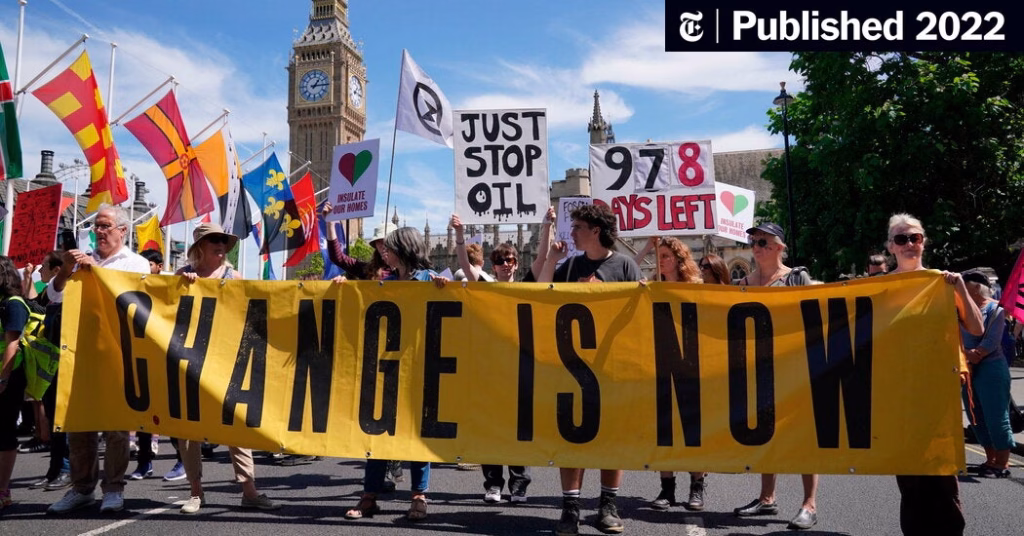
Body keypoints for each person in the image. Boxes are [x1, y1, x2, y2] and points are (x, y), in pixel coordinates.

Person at [538, 203, 642, 536]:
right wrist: (552, 260)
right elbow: (539, 295)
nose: (572, 233)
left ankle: (607, 506)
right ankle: (570, 508)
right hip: (572, 367)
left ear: (596, 230)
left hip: (613, 366)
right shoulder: (570, 266)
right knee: (572, 438)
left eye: (578, 227)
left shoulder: (624, 266)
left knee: (612, 438)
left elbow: (639, 314)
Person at [880, 213, 983, 536]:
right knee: (910, 475)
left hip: (939, 391)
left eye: (915, 237)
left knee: (942, 472)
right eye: (901, 239)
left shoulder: (943, 282)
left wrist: (961, 288)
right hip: (899, 391)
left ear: (924, 243)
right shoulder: (881, 287)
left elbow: (976, 328)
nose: (909, 244)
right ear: (891, 247)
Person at [47, 204, 151, 515]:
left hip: (117, 355)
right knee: (80, 425)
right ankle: (82, 488)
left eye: (106, 226)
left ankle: (114, 488)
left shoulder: (136, 263)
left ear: (123, 231)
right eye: (97, 226)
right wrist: (66, 269)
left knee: (116, 428)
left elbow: (133, 302)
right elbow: (53, 296)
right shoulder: (82, 260)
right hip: (81, 352)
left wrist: (97, 271)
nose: (99, 231)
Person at [173, 223, 280, 514]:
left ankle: (249, 491)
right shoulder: (182, 276)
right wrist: (182, 287)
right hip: (191, 360)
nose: (221, 245)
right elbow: (165, 312)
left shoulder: (235, 278)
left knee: (236, 426)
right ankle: (196, 492)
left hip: (227, 361)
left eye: (223, 240)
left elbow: (250, 315)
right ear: (200, 247)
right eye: (214, 240)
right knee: (188, 428)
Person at [345, 226, 444, 522]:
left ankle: (419, 496)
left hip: (419, 368)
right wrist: (342, 287)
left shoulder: (429, 279)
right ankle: (369, 496)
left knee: (417, 436)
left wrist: (446, 288)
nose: (384, 252)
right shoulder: (385, 282)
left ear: (405, 249)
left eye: (390, 247)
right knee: (377, 434)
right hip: (387, 368)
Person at [732, 222, 818, 531]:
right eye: (753, 241)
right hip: (758, 369)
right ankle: (767, 497)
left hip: (794, 368)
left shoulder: (797, 278)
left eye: (763, 242)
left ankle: (809, 504)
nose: (756, 247)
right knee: (764, 434)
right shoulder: (743, 283)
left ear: (780, 247)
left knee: (803, 436)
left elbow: (814, 316)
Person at [451, 214, 531, 503]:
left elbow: (545, 261)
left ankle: (519, 483)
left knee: (518, 427)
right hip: (490, 368)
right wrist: (460, 235)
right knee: (490, 426)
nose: (505, 264)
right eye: (500, 261)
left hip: (519, 366)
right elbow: (464, 264)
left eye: (509, 260)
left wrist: (547, 226)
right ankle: (494, 484)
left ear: (517, 263)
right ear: (492, 266)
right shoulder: (484, 285)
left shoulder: (529, 289)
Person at [644, 238, 710, 512]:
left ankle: (697, 486)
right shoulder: (651, 287)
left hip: (691, 364)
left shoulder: (696, 287)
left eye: (666, 256)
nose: (660, 260)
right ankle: (667, 488)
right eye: (658, 255)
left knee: (693, 429)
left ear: (679, 259)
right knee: (665, 429)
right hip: (660, 363)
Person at [130, 249, 186, 482]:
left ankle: (183, 460)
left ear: (159, 266)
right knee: (144, 414)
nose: (144, 267)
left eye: (149, 264)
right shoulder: (135, 286)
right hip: (143, 357)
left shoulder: (169, 286)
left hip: (167, 358)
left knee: (172, 415)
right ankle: (144, 463)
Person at [959, 269, 1014, 478]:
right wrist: (966, 354)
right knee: (975, 417)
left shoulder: (995, 309)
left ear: (975, 288)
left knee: (996, 416)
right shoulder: (959, 310)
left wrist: (976, 354)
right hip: (967, 368)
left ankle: (1002, 463)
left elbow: (991, 341)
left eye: (964, 286)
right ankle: (990, 459)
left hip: (991, 367)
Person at [25, 252, 72, 491]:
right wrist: (28, 279)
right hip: (50, 365)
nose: (39, 269)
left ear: (57, 270)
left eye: (43, 266)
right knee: (53, 417)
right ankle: (54, 470)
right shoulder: (50, 293)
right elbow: (35, 305)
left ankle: (66, 469)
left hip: (66, 363)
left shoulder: (70, 292)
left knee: (63, 419)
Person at [0, 256, 31, 510]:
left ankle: (3, 489)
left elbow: (12, 343)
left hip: (9, 376)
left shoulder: (14, 304)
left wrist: (3, 378)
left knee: (4, 432)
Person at [323, 203, 391, 281]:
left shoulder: (402, 270)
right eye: (378, 241)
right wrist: (330, 223)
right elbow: (338, 257)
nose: (382, 245)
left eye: (386, 240)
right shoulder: (369, 270)